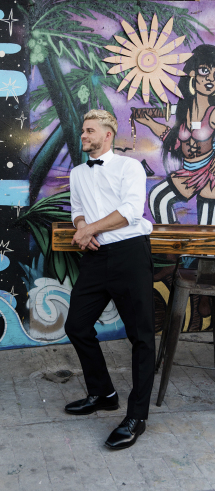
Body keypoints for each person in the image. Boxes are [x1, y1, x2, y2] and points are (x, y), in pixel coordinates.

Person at [64, 109, 155, 451]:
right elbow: (77, 210)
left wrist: (90, 228)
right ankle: (103, 393)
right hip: (95, 256)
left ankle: (137, 416)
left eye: (89, 130)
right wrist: (82, 230)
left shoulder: (129, 167)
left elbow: (133, 210)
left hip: (129, 253)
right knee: (77, 325)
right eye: (83, 130)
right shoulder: (76, 173)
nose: (83, 135)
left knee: (141, 337)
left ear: (107, 134)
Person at [135, 44, 215, 224]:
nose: (210, 79)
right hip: (188, 173)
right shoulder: (184, 110)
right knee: (158, 198)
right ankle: (175, 249)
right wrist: (149, 123)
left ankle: (198, 252)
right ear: (192, 73)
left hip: (209, 175)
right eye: (205, 71)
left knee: (207, 231)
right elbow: (173, 139)